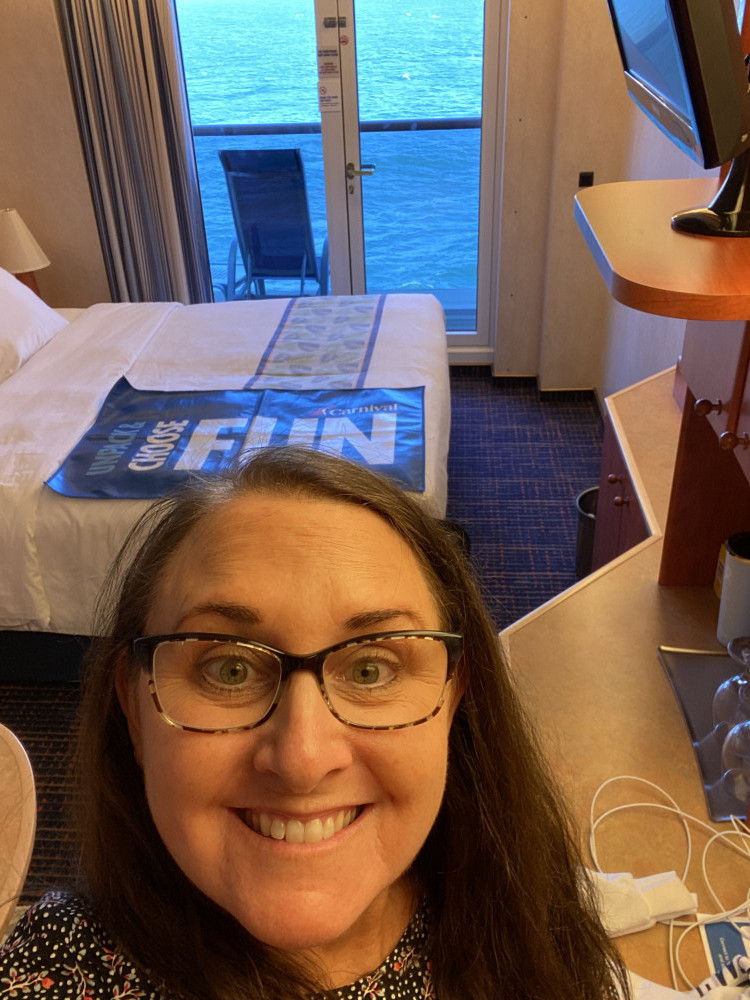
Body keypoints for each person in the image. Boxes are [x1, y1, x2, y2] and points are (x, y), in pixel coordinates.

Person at [1, 447, 628, 1000]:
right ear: (135, 709)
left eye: (371, 670)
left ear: (453, 698)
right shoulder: (53, 969)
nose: (302, 760)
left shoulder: (532, 916)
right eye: (229, 670)